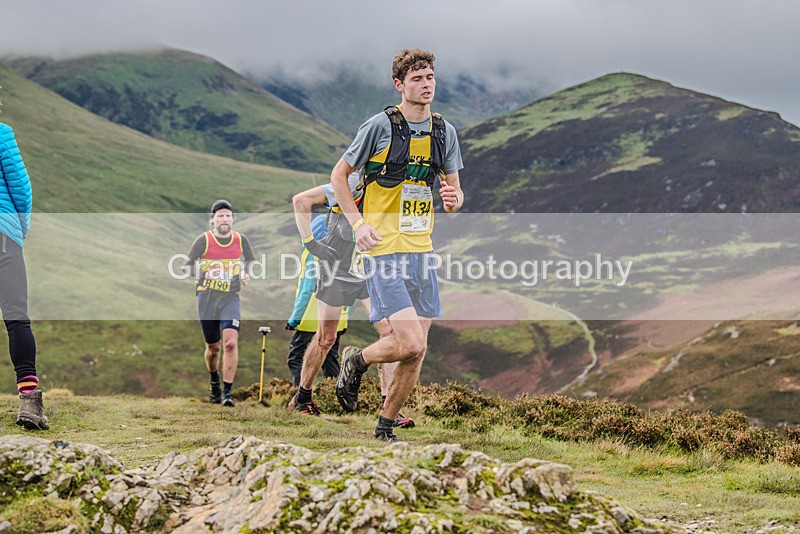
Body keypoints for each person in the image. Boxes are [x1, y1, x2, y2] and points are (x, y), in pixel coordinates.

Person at [332, 49, 464, 442]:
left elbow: (455, 193)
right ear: (399, 85)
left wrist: (454, 200)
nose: (426, 85)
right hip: (382, 249)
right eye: (417, 79)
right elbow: (339, 177)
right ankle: (357, 360)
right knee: (410, 341)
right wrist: (357, 224)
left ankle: (385, 426)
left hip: (421, 250)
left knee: (417, 350)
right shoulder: (379, 127)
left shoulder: (445, 132)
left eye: (430, 77)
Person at [290, 173, 415, 429]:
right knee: (326, 338)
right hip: (336, 270)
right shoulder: (351, 182)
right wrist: (311, 244)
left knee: (389, 330)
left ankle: (388, 406)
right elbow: (300, 201)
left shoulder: (394, 185)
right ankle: (302, 398)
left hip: (369, 270)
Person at [184, 200, 256, 407]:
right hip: (206, 298)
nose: (224, 219)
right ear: (212, 220)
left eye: (228, 216)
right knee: (213, 348)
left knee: (230, 342)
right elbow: (186, 267)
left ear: (233, 219)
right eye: (220, 216)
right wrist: (203, 274)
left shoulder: (241, 240)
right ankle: (214, 380)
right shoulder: (203, 241)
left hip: (230, 297)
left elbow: (250, 260)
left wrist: (245, 273)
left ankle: (227, 392)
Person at [0, 121, 48, 430]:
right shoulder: (1, 133)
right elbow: (20, 187)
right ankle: (29, 401)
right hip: (4, 234)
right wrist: (19, 229)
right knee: (17, 318)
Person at [286, 214, 347, 386]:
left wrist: (294, 319)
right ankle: (333, 394)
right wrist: (344, 320)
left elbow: (306, 290)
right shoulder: (343, 253)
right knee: (330, 359)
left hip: (310, 319)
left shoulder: (312, 255)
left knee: (296, 358)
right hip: (337, 320)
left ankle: (301, 393)